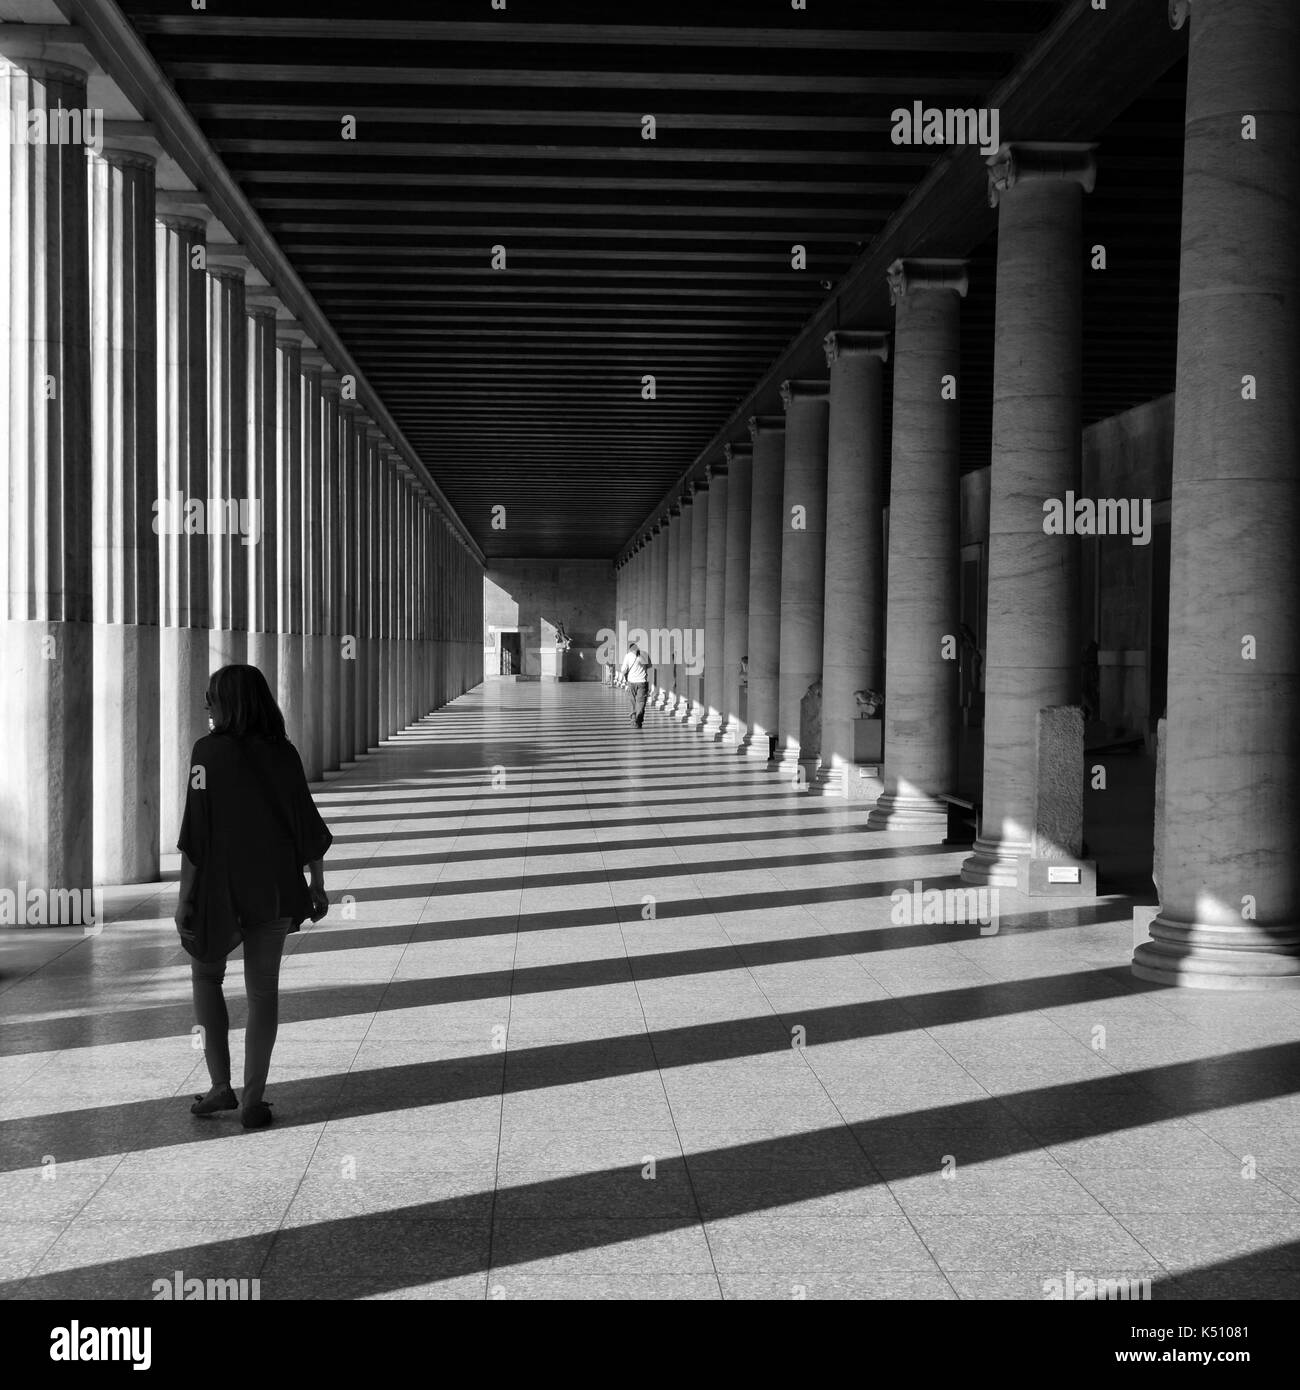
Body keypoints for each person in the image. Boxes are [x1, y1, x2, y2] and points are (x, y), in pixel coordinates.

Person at [174, 664, 332, 1130]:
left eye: (211, 696)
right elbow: (305, 819)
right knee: (262, 992)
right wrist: (317, 882)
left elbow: (195, 832)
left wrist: (185, 896)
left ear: (229, 702)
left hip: (217, 889)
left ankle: (221, 1087)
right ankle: (254, 1101)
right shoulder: (284, 753)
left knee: (206, 978)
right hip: (274, 886)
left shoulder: (206, 753)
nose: (206, 704)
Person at [618, 640, 654, 728]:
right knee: (641, 702)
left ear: (630, 649)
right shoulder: (645, 654)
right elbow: (649, 666)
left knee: (632, 702)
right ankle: (639, 720)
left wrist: (622, 678)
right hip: (642, 682)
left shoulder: (628, 656)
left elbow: (623, 670)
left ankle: (633, 720)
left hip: (631, 682)